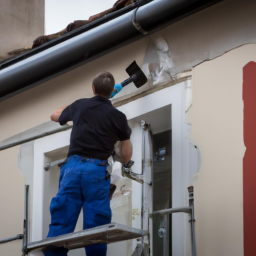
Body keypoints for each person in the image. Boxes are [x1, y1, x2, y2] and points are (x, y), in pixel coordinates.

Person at [46, 72, 132, 256]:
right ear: (111, 92)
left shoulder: (80, 105)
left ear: (93, 89)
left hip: (72, 169)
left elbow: (54, 115)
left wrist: (80, 104)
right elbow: (125, 156)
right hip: (96, 171)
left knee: (62, 219)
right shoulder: (118, 117)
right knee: (96, 226)